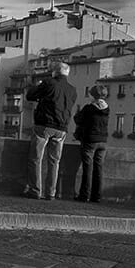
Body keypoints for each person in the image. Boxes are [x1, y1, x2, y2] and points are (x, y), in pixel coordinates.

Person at [23, 61, 77, 200]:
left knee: (36, 158)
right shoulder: (72, 90)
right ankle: (51, 193)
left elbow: (30, 95)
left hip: (45, 125)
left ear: (55, 72)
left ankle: (35, 190)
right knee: (54, 162)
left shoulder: (48, 83)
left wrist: (38, 85)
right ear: (67, 73)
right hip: (62, 128)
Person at [73, 85, 109, 202]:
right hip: (103, 141)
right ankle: (96, 196)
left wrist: (78, 112)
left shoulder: (89, 108)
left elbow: (78, 119)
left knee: (87, 168)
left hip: (90, 140)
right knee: (99, 169)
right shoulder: (107, 108)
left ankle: (84, 195)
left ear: (93, 95)